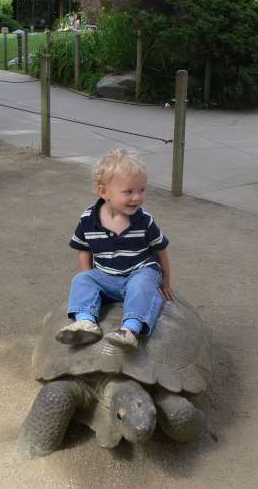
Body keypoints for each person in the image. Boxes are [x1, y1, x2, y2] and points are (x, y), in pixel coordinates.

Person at [56, 148, 173, 350]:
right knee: (81, 279)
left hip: (140, 272)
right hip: (107, 276)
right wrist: (91, 279)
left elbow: (161, 249)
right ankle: (85, 322)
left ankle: (130, 329)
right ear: (104, 192)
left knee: (142, 283)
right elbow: (84, 251)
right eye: (129, 192)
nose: (137, 198)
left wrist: (165, 281)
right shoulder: (88, 220)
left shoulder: (144, 220)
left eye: (142, 190)